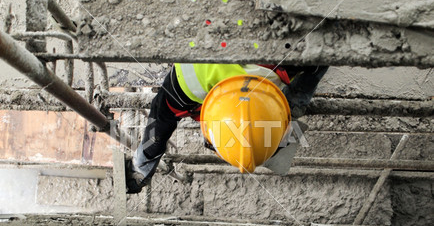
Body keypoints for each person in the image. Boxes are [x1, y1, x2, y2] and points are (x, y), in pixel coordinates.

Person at [125, 64, 328, 194]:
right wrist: (139, 168)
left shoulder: (291, 60)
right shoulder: (181, 87)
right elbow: (156, 132)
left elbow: (321, 55)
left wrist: (294, 102)